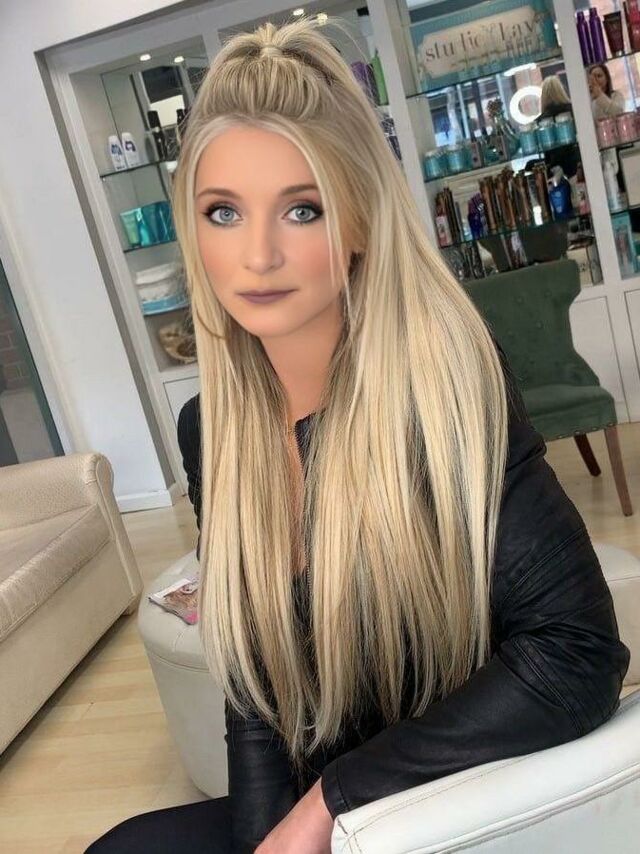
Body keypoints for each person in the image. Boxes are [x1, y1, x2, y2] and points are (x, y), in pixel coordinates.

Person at [85, 15, 629, 854]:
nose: (257, 254)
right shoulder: (213, 430)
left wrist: (328, 802)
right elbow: (254, 687)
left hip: (442, 800)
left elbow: (577, 655)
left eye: (301, 210)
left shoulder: (445, 395)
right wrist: (267, 834)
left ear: (361, 223)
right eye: (223, 212)